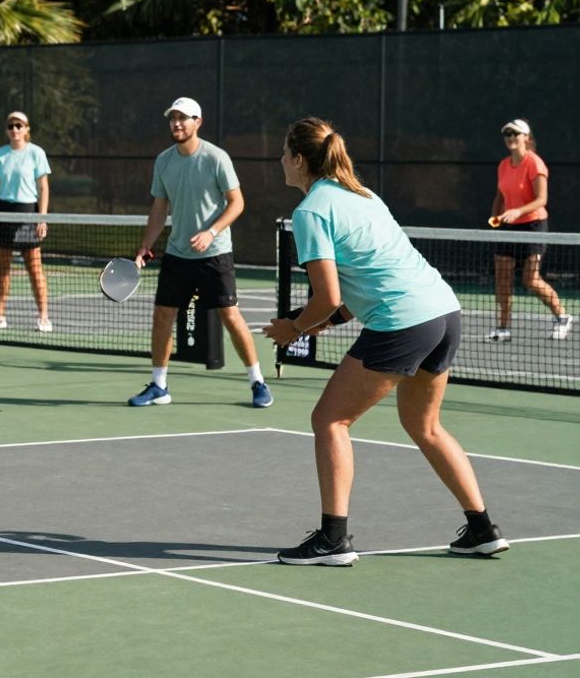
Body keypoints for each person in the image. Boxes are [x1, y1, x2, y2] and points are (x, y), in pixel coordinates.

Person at [263, 117, 509, 566]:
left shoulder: (311, 211)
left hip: (405, 323)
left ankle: (333, 539)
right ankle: (482, 529)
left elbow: (329, 295)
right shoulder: (364, 196)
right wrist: (328, 321)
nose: (280, 160)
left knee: (330, 421)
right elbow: (359, 289)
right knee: (425, 425)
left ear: (299, 161)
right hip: (443, 312)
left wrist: (295, 327)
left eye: (284, 153)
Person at [130, 97, 272, 409]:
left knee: (230, 317)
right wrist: (146, 245)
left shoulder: (216, 158)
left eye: (184, 118)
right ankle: (159, 386)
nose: (177, 123)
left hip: (215, 253)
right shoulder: (164, 161)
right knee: (162, 316)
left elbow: (237, 202)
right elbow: (159, 206)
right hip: (178, 254)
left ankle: (257, 382)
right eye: (173, 118)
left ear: (198, 122)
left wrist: (211, 232)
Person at [488, 118, 571, 342]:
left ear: (526, 137)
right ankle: (503, 328)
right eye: (507, 135)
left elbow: (541, 199)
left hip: (534, 225)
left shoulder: (535, 163)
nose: (511, 138)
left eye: (515, 134)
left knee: (530, 279)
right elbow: (500, 195)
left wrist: (517, 211)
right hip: (508, 225)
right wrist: (496, 215)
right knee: (503, 278)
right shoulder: (504, 165)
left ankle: (562, 317)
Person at [0, 110, 53, 332]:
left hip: (28, 213)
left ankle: (43, 317)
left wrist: (41, 219)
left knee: (35, 268)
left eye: (19, 125)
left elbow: (43, 187)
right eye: (11, 126)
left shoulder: (36, 153)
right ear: (7, 129)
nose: (15, 129)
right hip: (3, 213)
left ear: (27, 129)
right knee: (2, 269)